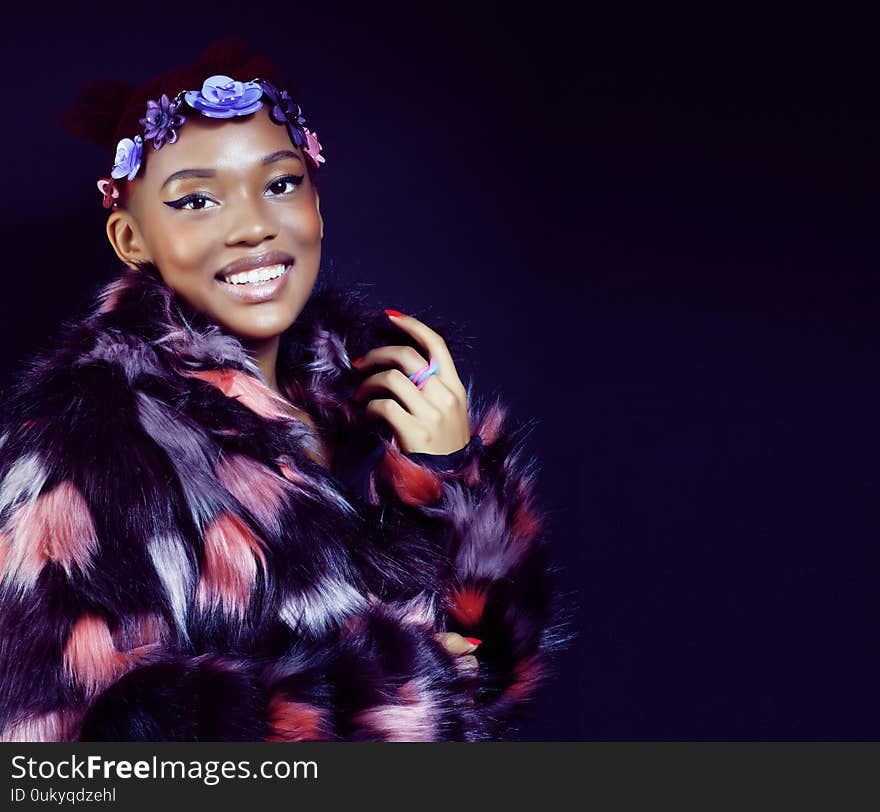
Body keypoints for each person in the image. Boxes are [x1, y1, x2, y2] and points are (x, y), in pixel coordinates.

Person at [0, 39, 564, 741]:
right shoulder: (88, 438)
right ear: (131, 238)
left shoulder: (371, 401)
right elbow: (58, 750)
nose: (253, 225)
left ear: (317, 206)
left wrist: (451, 477)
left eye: (280, 183)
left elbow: (496, 675)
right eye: (197, 200)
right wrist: (387, 697)